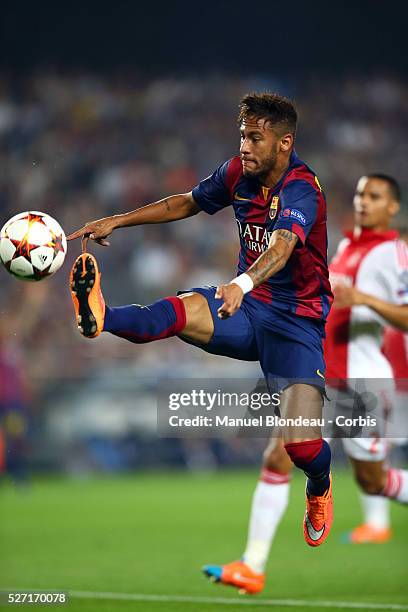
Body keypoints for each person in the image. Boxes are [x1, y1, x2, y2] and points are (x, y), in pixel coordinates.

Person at [67, 94, 334, 590]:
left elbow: (282, 247)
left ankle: (320, 484)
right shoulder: (238, 173)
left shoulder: (303, 190)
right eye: (242, 136)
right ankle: (100, 318)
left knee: (302, 448)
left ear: (284, 141)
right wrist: (117, 221)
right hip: (247, 311)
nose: (245, 147)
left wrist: (241, 284)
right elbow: (185, 203)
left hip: (297, 324)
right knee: (175, 312)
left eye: (255, 138)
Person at [202, 174, 408, 594]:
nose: (364, 202)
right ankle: (252, 566)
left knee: (374, 481)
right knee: (278, 455)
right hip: (316, 372)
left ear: (393, 208)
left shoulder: (396, 254)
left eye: (375, 196)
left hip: (362, 385)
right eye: (360, 194)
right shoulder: (348, 247)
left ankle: (253, 563)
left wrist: (366, 300)